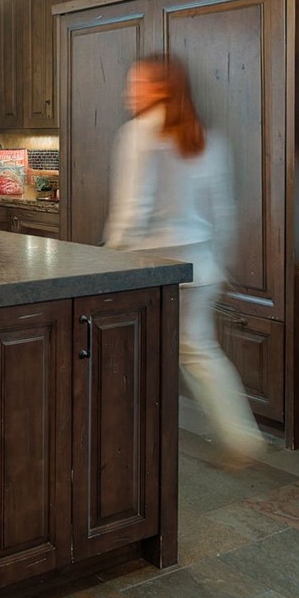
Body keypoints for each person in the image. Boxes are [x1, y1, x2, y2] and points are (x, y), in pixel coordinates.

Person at [103, 54, 265, 464]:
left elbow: (131, 211)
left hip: (147, 270)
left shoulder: (139, 135)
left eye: (135, 84)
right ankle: (241, 436)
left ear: (160, 87)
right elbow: (221, 211)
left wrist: (107, 260)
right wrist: (220, 261)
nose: (128, 92)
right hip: (199, 266)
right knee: (199, 351)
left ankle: (125, 441)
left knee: (127, 353)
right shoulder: (205, 137)